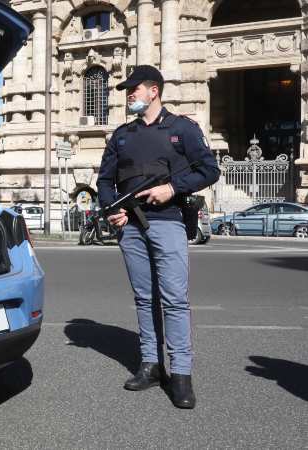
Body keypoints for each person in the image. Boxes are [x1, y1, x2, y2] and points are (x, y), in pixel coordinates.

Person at [97, 65, 220, 409]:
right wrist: (112, 209)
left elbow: (209, 169)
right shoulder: (122, 135)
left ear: (154, 90)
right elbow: (105, 181)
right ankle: (151, 365)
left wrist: (172, 187)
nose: (129, 94)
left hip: (167, 222)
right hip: (130, 227)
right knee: (143, 298)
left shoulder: (182, 129)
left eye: (134, 88)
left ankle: (181, 374)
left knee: (174, 299)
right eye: (127, 90)